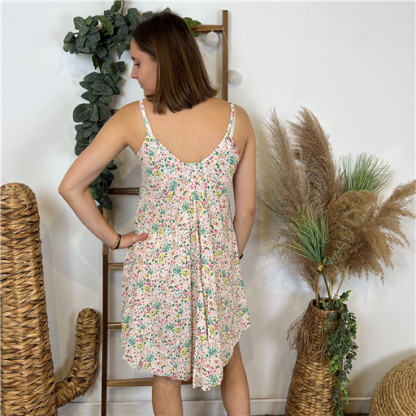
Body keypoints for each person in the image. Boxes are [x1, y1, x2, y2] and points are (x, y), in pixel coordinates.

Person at [59, 10, 256, 416]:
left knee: (166, 376)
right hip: (217, 264)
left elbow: (71, 186)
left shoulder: (135, 119)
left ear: (161, 61)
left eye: (137, 62)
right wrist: (226, 255)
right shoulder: (237, 119)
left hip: (159, 270)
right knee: (231, 358)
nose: (132, 74)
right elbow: (247, 209)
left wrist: (115, 239)